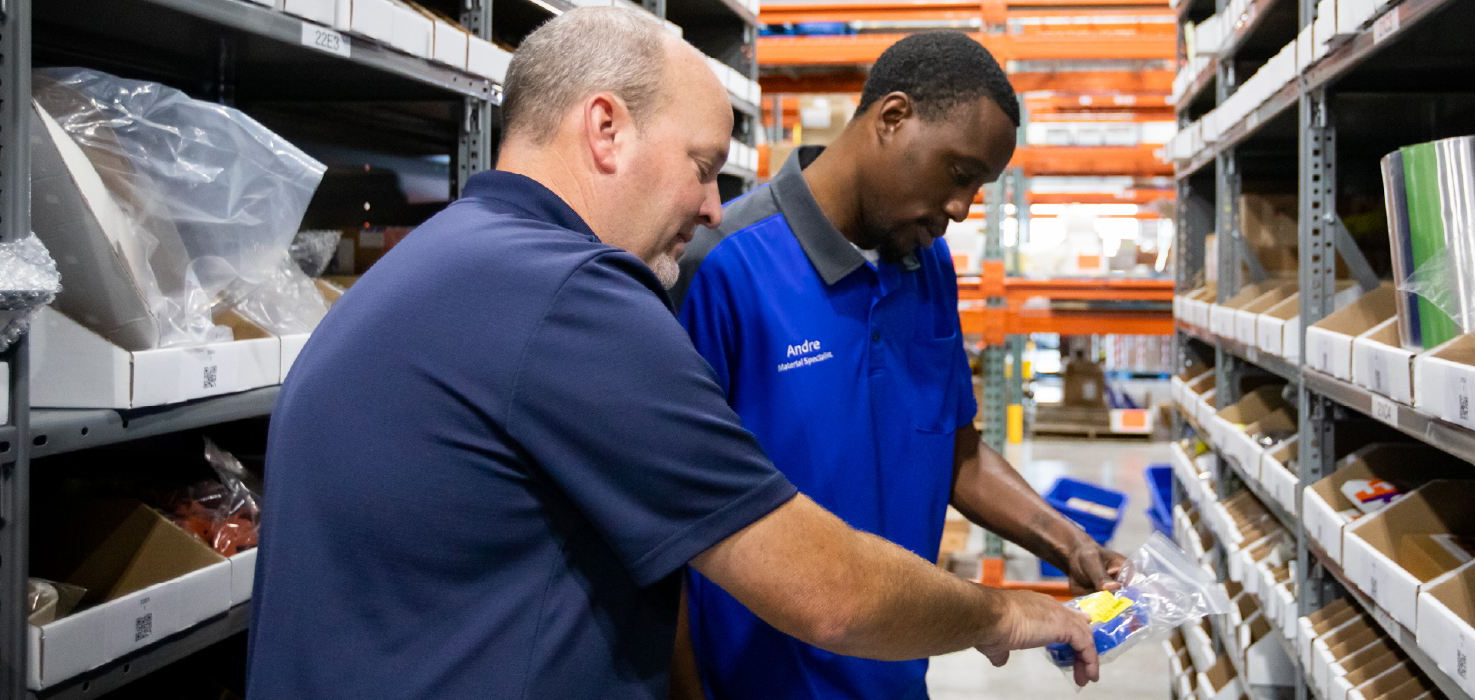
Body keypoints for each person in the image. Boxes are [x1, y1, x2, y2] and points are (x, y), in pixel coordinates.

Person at [245, 10, 1099, 699]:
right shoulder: (571, 299)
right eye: (701, 167)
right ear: (605, 130)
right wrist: (1004, 614)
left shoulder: (443, 262)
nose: (708, 206)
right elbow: (825, 591)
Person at [671, 32, 1128, 700]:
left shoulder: (927, 263)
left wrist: (1070, 544)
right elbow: (668, 526)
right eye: (960, 173)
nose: (961, 209)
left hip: (897, 673)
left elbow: (956, 453)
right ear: (892, 118)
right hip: (756, 683)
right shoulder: (724, 266)